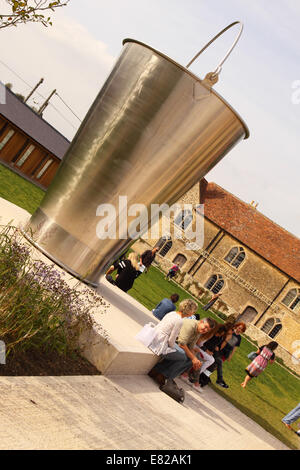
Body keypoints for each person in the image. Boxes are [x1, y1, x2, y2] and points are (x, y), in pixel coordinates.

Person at [148, 314, 215, 386]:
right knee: (183, 355)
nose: (205, 330)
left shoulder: (198, 331)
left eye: (208, 330)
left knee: (190, 360)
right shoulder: (191, 325)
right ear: (201, 322)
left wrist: (195, 360)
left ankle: (167, 377)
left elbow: (191, 347)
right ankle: (161, 373)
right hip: (164, 340)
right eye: (206, 327)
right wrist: (193, 358)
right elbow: (181, 344)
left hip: (173, 343)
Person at [186, 324, 229, 392]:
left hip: (203, 349)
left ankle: (194, 377)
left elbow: (213, 346)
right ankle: (194, 378)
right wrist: (207, 350)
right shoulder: (211, 334)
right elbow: (199, 343)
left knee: (212, 360)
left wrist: (210, 351)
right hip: (197, 347)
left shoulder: (219, 338)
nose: (219, 335)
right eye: (219, 333)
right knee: (211, 360)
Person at [214, 322, 246, 389]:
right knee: (214, 362)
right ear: (236, 326)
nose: (239, 329)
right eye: (239, 327)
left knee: (217, 366)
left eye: (241, 329)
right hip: (222, 348)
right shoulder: (231, 332)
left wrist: (231, 355)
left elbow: (235, 347)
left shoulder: (239, 338)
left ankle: (211, 377)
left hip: (227, 352)